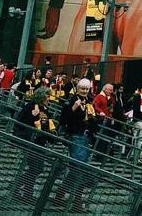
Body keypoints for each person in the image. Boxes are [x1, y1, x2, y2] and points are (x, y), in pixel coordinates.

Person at [55, 78, 95, 211]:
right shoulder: (71, 100)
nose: (84, 91)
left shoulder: (89, 101)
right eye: (82, 88)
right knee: (79, 169)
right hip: (75, 136)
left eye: (87, 89)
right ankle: (77, 200)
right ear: (77, 89)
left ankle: (61, 193)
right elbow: (63, 119)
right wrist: (73, 108)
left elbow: (91, 120)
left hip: (85, 137)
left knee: (78, 169)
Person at [13, 91, 52, 199]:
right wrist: (32, 116)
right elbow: (19, 122)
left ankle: (22, 190)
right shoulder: (30, 106)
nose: (49, 98)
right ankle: (21, 190)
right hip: (30, 141)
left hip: (40, 142)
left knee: (38, 168)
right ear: (41, 97)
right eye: (47, 96)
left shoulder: (45, 109)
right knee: (35, 167)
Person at [123, 84, 142, 157]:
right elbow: (136, 108)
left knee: (139, 139)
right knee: (138, 139)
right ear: (141, 89)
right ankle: (134, 155)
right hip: (138, 120)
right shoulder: (137, 96)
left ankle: (133, 155)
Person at [91, 83, 117, 157]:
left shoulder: (111, 98)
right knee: (101, 136)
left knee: (107, 137)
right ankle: (98, 154)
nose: (111, 91)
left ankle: (105, 153)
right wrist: (100, 112)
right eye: (110, 90)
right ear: (105, 89)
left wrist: (111, 118)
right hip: (101, 120)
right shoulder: (99, 96)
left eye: (112, 90)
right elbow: (95, 105)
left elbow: (111, 110)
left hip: (108, 120)